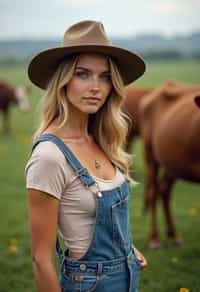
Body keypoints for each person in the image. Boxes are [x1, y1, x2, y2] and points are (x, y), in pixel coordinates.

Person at [25, 20, 147, 292]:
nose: (96, 87)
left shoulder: (104, 139)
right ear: (63, 80)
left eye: (105, 76)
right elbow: (40, 259)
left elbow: (95, 219)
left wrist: (126, 249)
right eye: (83, 74)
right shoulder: (49, 156)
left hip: (128, 277)